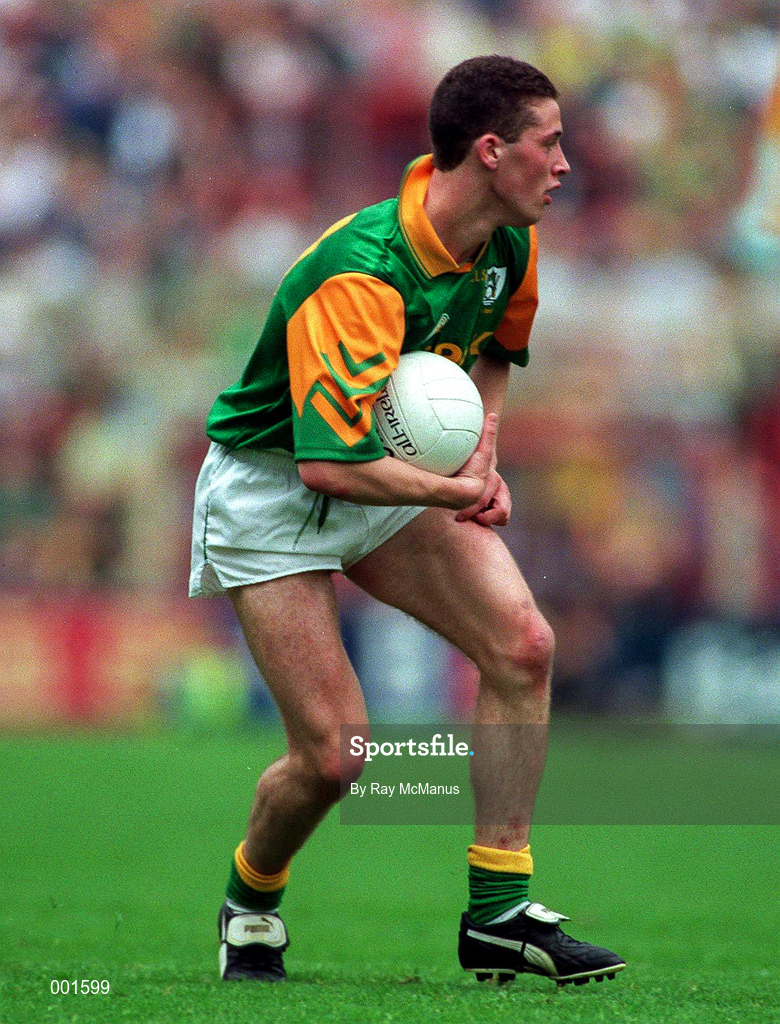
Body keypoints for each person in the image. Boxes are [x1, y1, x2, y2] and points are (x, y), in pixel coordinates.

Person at [190, 54, 625, 987]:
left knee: (523, 648)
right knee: (338, 756)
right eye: (549, 144)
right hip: (274, 493)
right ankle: (250, 898)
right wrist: (456, 492)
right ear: (491, 150)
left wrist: (484, 454)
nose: (564, 164)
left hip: (389, 476)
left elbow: (499, 351)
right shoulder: (363, 273)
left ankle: (500, 911)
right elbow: (328, 463)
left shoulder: (510, 236)